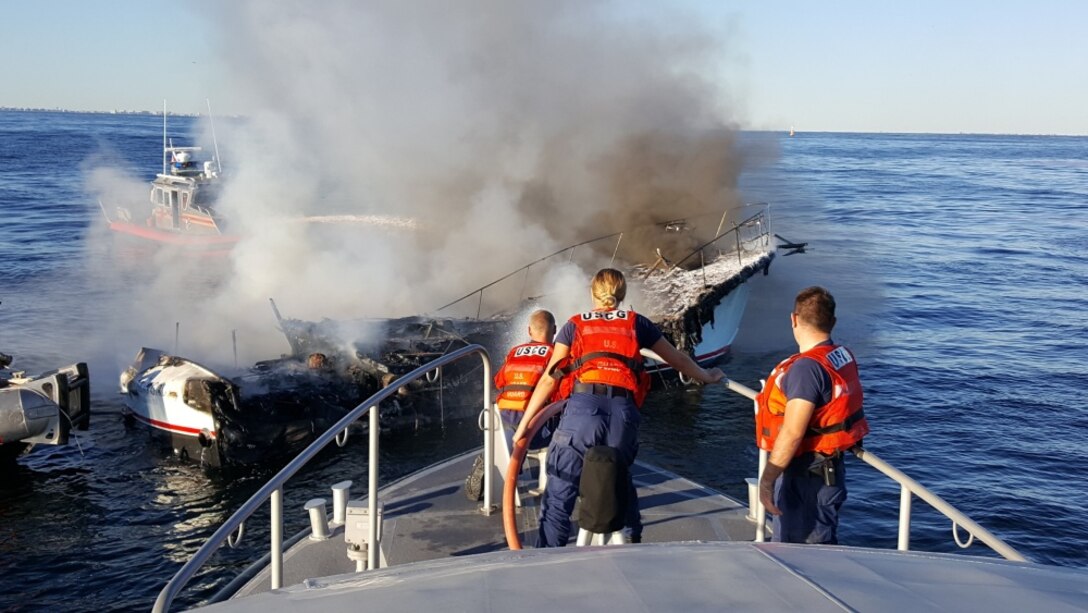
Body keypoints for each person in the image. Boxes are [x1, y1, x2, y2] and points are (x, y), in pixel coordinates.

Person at [514, 268, 725, 547]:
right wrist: (708, 377)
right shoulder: (637, 323)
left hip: (582, 411)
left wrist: (524, 426)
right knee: (619, 480)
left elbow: (549, 379)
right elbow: (679, 360)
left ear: (592, 293)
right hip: (621, 414)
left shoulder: (574, 325)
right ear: (623, 294)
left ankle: (545, 563)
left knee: (559, 494)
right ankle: (632, 543)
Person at [756, 286, 869, 544]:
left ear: (793, 319)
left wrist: (767, 480)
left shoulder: (806, 369)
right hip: (829, 471)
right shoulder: (839, 356)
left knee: (797, 556)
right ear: (833, 322)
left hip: (807, 479)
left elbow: (793, 432)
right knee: (819, 551)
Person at [494, 309, 557, 451]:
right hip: (538, 430)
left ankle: (514, 468)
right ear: (554, 330)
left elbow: (499, 382)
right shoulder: (556, 354)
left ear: (529, 331)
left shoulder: (513, 352)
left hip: (506, 422)